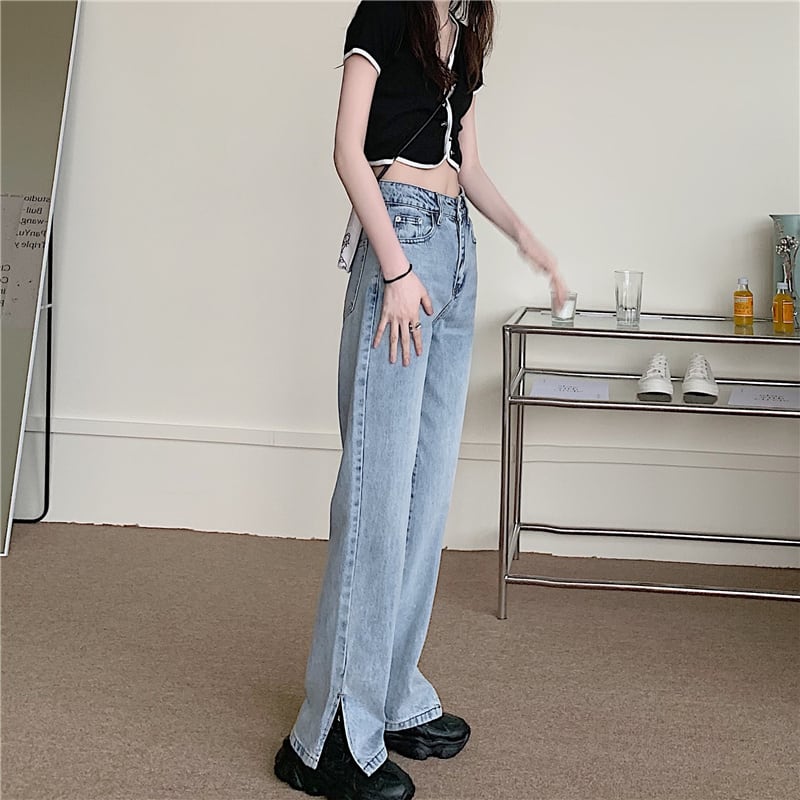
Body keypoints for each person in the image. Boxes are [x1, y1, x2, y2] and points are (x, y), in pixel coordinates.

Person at [274, 3, 566, 799]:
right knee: (376, 497)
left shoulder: (465, 28)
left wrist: (524, 236)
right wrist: (397, 270)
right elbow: (347, 148)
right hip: (401, 239)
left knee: (425, 496)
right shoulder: (387, 10)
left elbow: (467, 161)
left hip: (455, 245)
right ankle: (327, 736)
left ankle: (391, 693)